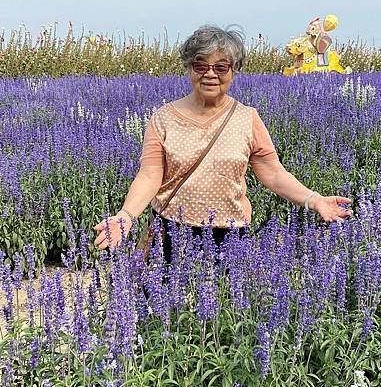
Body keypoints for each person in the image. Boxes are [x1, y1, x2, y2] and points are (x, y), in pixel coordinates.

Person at [93, 25, 351, 256]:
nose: (210, 74)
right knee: (165, 306)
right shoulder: (164, 118)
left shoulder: (247, 118)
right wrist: (125, 216)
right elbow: (150, 175)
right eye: (200, 65)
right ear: (188, 68)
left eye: (221, 67)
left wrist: (314, 199)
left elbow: (273, 174)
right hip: (171, 231)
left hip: (229, 235)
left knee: (225, 302)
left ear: (233, 71)